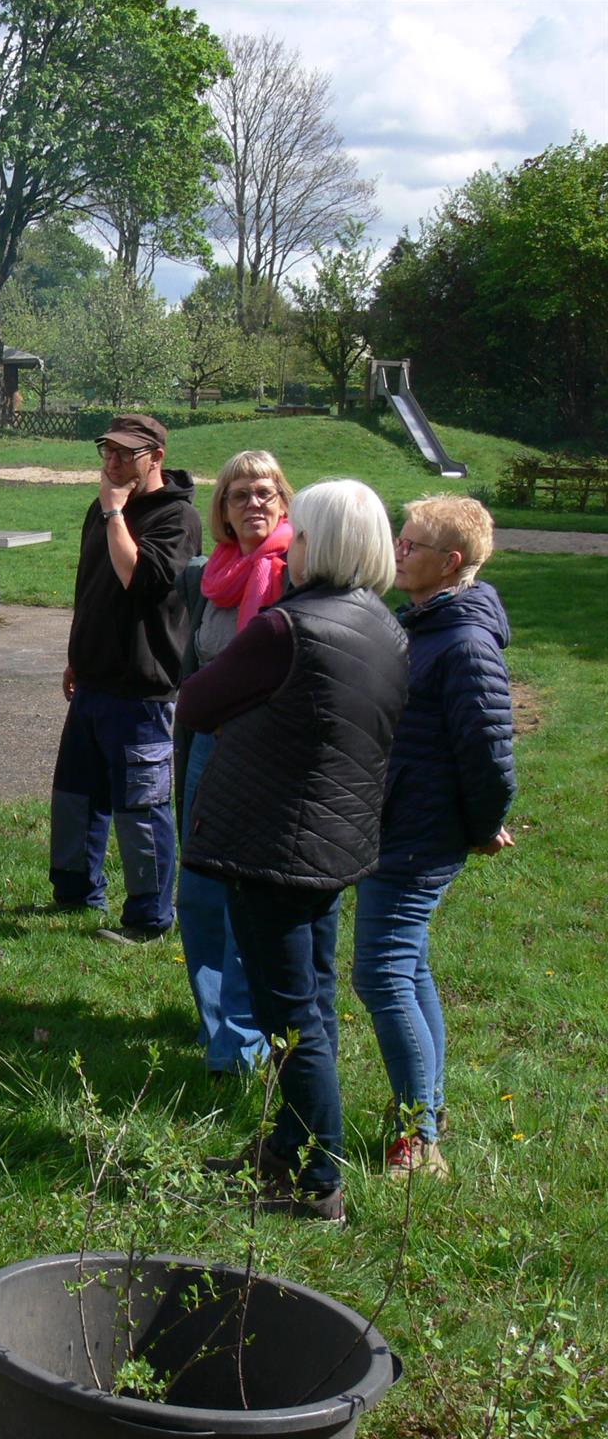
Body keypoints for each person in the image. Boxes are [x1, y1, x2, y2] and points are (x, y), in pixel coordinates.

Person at [180, 479, 408, 1223]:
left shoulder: (289, 628)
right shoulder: (384, 625)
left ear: (322, 542)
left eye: (299, 532)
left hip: (276, 842)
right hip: (333, 842)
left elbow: (200, 699)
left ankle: (317, 1184)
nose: (290, 543)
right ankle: (285, 1148)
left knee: (291, 1019)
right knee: (308, 999)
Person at [355, 495, 516, 1180]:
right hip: (399, 820)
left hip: (421, 832)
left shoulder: (465, 643)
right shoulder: (427, 624)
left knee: (381, 973)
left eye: (412, 544)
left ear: (450, 563)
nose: (398, 549)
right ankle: (426, 1114)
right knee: (408, 966)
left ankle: (418, 1139)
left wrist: (480, 828)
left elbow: (490, 755)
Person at [50, 413, 202, 943]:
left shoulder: (176, 518)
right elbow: (90, 587)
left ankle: (149, 919)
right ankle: (75, 892)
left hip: (142, 689)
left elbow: (136, 577)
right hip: (93, 680)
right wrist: (76, 654)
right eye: (106, 451)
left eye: (124, 453)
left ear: (155, 457)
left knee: (140, 808)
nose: (111, 462)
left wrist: (116, 513)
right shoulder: (104, 507)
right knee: (75, 795)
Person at [173, 452, 293, 1075]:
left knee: (248, 899)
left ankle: (242, 1046)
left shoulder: (296, 573)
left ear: (284, 501)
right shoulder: (209, 575)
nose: (254, 503)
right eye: (240, 493)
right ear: (220, 508)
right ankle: (214, 1021)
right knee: (198, 894)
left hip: (268, 757)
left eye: (266, 492)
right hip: (209, 750)